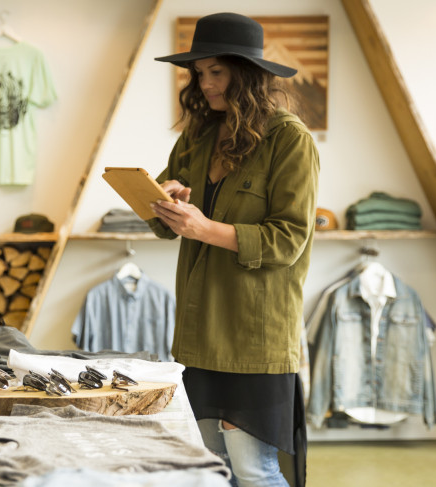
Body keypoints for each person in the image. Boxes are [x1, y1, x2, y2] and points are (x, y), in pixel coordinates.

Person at [150, 13, 319, 487]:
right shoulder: (199, 135)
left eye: (215, 72)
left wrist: (205, 228)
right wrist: (167, 201)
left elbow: (288, 239)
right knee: (210, 467)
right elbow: (167, 227)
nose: (204, 84)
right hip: (199, 332)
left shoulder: (290, 140)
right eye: (199, 73)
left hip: (254, 336)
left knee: (252, 469)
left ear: (246, 74)